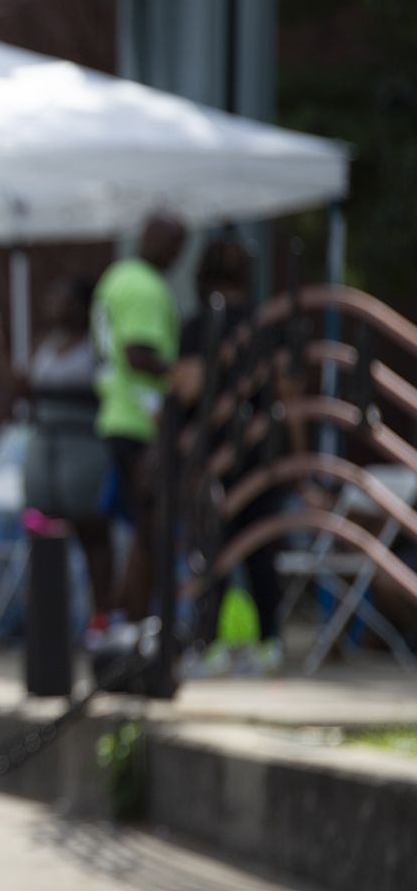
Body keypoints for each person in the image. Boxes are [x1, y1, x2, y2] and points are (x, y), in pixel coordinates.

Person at [173, 236, 286, 677]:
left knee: (211, 547)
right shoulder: (267, 327)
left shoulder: (198, 328)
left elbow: (185, 389)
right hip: (260, 454)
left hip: (213, 454)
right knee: (262, 548)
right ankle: (270, 642)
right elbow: (288, 394)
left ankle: (211, 641)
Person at [0, 276, 116, 635]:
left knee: (91, 532)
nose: (53, 302)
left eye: (62, 295)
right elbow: (20, 388)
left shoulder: (98, 347)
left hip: (83, 445)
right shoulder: (47, 345)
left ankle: (100, 618)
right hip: (45, 444)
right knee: (42, 530)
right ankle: (48, 622)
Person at [91, 214, 186, 625]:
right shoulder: (146, 286)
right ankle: (137, 624)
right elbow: (136, 353)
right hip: (140, 420)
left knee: (139, 533)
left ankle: (126, 622)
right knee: (150, 533)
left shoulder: (118, 276)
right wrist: (184, 372)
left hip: (114, 414)